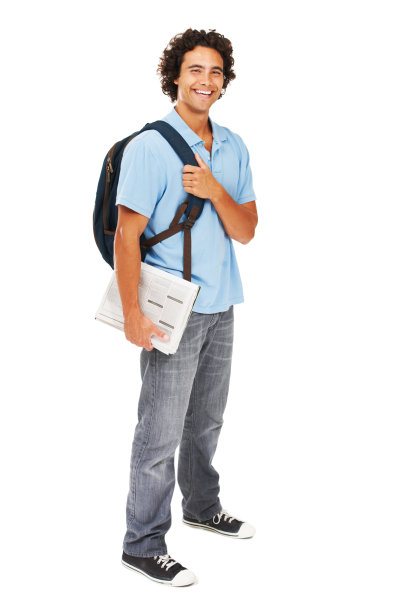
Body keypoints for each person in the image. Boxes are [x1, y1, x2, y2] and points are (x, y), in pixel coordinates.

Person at [114, 28, 258, 587]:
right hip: (171, 308)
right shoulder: (149, 147)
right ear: (175, 76)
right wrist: (133, 313)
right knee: (159, 433)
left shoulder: (234, 146)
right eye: (195, 69)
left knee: (207, 422)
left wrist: (215, 189)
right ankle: (142, 544)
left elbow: (245, 230)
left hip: (221, 303)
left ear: (224, 82)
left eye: (215, 71)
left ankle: (202, 506)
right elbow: (127, 236)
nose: (206, 80)